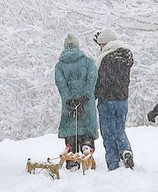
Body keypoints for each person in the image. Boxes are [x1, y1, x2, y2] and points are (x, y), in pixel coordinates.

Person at [93, 26, 136, 171]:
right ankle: (126, 151)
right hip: (122, 100)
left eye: (101, 45)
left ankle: (113, 165)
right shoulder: (127, 56)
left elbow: (100, 81)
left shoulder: (105, 59)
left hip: (106, 100)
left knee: (108, 134)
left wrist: (93, 96)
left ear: (105, 44)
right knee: (120, 130)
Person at [54, 34, 98, 168]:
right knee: (86, 129)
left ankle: (72, 157)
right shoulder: (88, 62)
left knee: (71, 131)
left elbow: (61, 84)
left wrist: (70, 100)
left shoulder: (60, 66)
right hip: (86, 104)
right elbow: (92, 80)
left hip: (69, 106)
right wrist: (84, 98)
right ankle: (86, 146)